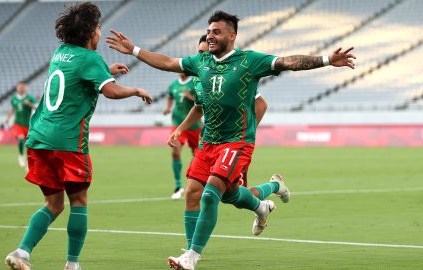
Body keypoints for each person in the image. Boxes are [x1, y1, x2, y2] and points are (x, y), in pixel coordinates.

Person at [106, 10, 355, 270]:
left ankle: (191, 256)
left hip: (236, 143)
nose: (211, 36)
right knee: (208, 194)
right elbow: (167, 62)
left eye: (217, 32)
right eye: (209, 31)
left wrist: (327, 59)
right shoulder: (201, 63)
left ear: (232, 36)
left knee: (211, 194)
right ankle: (263, 204)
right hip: (208, 143)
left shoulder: (249, 61)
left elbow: (288, 61)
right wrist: (134, 49)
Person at [5, 3, 152, 270]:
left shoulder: (60, 53)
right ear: (89, 33)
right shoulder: (91, 59)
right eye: (97, 27)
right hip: (68, 141)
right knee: (79, 202)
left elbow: (76, 76)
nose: (99, 31)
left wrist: (106, 72)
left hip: (38, 138)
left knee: (53, 203)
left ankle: (22, 252)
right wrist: (135, 90)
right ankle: (72, 265)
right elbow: (111, 92)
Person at [180, 34, 290, 253]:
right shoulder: (199, 78)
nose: (204, 56)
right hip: (209, 144)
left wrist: (243, 134)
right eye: (200, 53)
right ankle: (190, 249)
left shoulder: (233, 74)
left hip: (233, 145)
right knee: (193, 192)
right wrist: (180, 129)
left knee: (233, 194)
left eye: (206, 51)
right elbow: (199, 108)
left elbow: (261, 104)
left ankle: (273, 190)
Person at [163, 73, 202, 199]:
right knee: (175, 151)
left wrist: (190, 97)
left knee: (197, 155)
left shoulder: (195, 83)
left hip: (195, 125)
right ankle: (178, 186)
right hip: (178, 124)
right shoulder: (173, 85)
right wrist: (168, 108)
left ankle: (195, 183)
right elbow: (170, 97)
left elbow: (201, 102)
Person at [5, 82, 37, 168]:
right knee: (21, 138)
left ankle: (28, 161)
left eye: (23, 87)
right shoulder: (14, 98)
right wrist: (8, 117)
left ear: (25, 88)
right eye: (20, 87)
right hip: (17, 124)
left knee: (29, 145)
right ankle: (20, 155)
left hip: (28, 124)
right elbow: (12, 108)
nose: (21, 88)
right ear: (17, 88)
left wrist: (29, 104)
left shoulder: (30, 98)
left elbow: (37, 107)